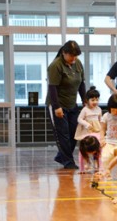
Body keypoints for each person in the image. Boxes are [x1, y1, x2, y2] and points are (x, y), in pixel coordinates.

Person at [46, 40, 86, 169]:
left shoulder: (78, 63)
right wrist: (57, 107)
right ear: (64, 53)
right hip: (58, 104)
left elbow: (81, 84)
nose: (74, 58)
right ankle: (68, 162)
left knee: (75, 132)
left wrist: (85, 101)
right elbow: (52, 88)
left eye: (76, 56)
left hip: (72, 104)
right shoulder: (56, 65)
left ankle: (61, 156)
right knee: (63, 133)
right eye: (71, 56)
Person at [74, 86, 102, 172]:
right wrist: (87, 124)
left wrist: (102, 131)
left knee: (97, 148)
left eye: (97, 100)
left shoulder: (99, 109)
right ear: (87, 100)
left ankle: (98, 165)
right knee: (85, 149)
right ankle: (86, 163)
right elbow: (79, 119)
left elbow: (100, 120)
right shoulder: (85, 110)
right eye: (92, 100)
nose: (95, 102)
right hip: (87, 132)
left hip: (96, 131)